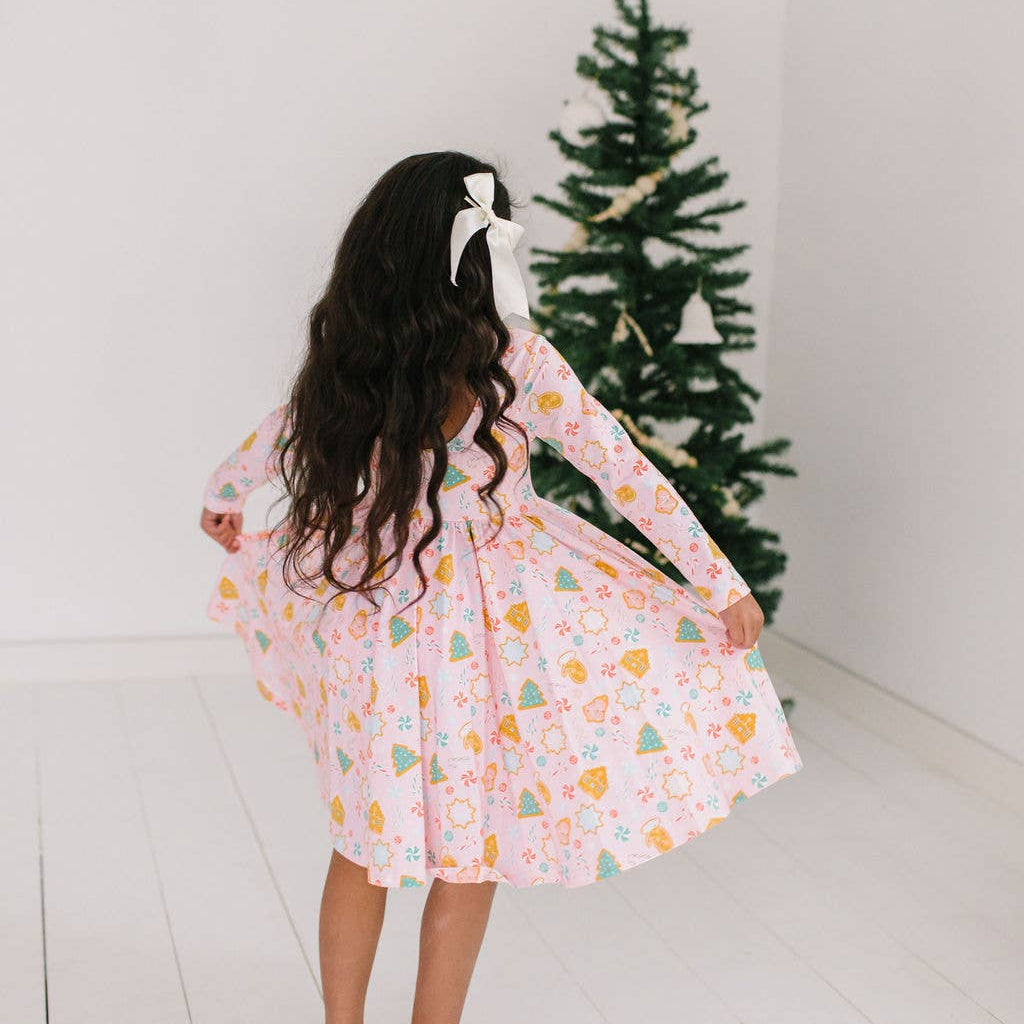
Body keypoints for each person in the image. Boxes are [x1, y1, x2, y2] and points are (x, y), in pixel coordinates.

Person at [200, 151, 802, 1024]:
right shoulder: (518, 361)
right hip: (490, 630)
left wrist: (223, 501)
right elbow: (622, 473)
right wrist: (719, 581)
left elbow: (271, 442)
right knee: (466, 847)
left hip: (369, 615)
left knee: (363, 839)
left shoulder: (351, 355)